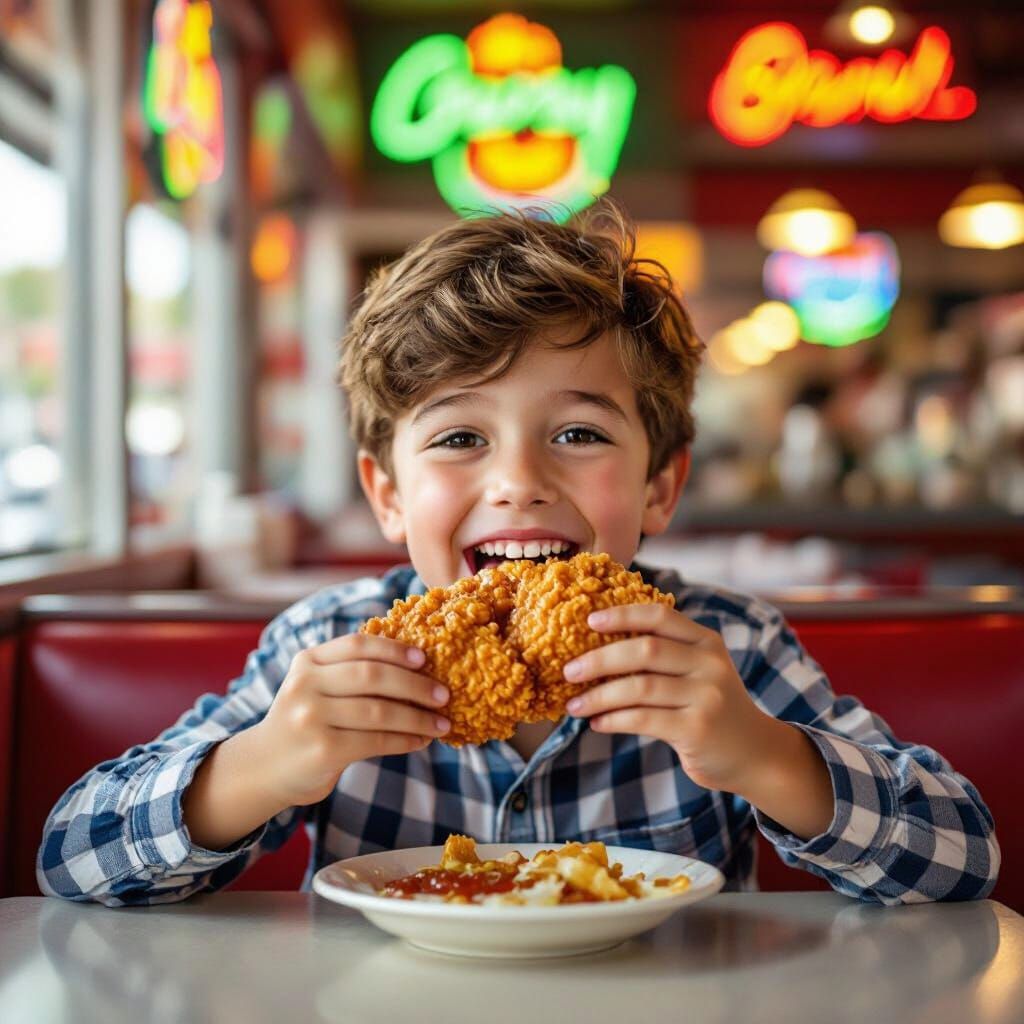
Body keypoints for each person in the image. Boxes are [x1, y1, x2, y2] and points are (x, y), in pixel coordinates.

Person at [38, 203, 998, 907]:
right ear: (385, 493)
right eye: (459, 440)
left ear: (661, 485)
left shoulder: (724, 649)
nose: (518, 482)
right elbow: (70, 859)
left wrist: (763, 754)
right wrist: (264, 765)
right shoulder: (329, 648)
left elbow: (965, 863)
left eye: (579, 435)